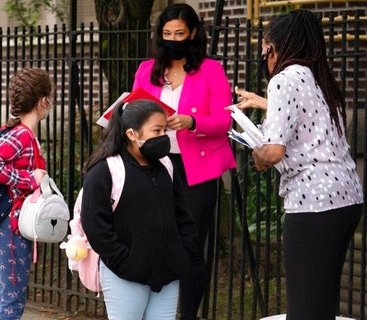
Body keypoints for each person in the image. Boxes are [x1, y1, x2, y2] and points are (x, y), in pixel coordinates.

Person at [235, 10, 363, 320]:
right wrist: (262, 102)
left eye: (264, 48)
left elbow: (275, 152)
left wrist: (257, 153)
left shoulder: (283, 79)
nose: (263, 56)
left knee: (305, 306)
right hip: (346, 198)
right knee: (322, 302)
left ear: (274, 47)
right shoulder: (318, 77)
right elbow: (307, 116)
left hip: (312, 203)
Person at [131, 4, 236, 319]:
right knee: (153, 241)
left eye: (179, 33)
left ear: (192, 34)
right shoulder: (147, 69)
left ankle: (187, 314)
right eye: (166, 34)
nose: (172, 39)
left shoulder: (210, 70)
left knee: (190, 247)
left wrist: (192, 122)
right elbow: (134, 109)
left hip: (195, 171)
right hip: (153, 165)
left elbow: (224, 121)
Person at [81, 99, 196, 320]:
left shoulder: (166, 166)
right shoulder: (104, 172)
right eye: (157, 130)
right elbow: (96, 227)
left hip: (168, 275)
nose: (164, 136)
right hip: (125, 276)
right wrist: (127, 262)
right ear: (132, 134)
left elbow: (184, 215)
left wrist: (181, 253)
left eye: (165, 129)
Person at [0, 67, 50, 320]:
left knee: (5, 297)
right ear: (43, 101)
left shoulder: (17, 132)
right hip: (11, 226)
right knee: (12, 300)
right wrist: (29, 178)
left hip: (5, 225)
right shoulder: (22, 135)